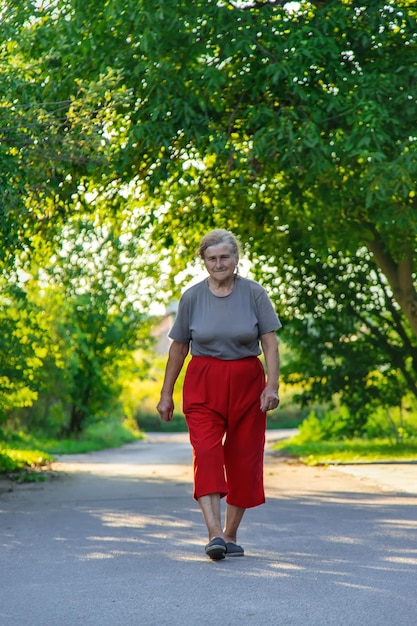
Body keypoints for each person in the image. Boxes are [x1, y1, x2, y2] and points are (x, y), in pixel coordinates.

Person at [156, 229, 281, 560]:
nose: (219, 263)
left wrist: (272, 385)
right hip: (203, 382)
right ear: (203, 261)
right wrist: (166, 394)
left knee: (244, 457)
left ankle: (230, 534)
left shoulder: (254, 294)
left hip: (247, 383)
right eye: (212, 258)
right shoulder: (192, 297)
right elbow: (178, 348)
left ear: (237, 258)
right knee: (207, 453)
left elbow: (269, 342)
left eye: (225, 257)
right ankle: (214, 534)